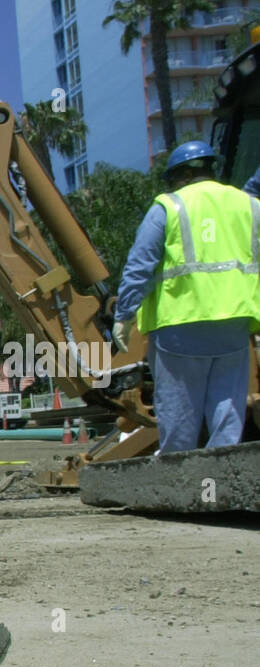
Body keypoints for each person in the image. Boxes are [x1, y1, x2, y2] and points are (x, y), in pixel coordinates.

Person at [113, 141, 260, 454]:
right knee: (227, 409)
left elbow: (140, 266)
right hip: (235, 323)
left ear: (177, 176)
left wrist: (124, 316)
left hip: (180, 324)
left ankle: (179, 481)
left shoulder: (169, 206)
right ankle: (219, 483)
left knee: (180, 411)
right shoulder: (249, 205)